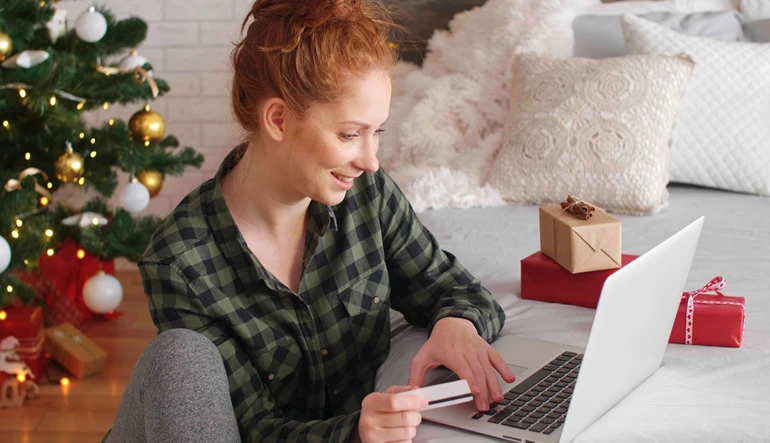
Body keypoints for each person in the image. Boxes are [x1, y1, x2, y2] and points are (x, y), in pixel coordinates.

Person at [105, 1, 514, 442]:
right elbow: (250, 430)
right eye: (349, 134)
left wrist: (456, 324)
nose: (371, 161)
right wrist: (356, 433)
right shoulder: (180, 263)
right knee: (179, 354)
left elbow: (455, 287)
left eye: (378, 132)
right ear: (278, 119)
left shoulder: (367, 197)